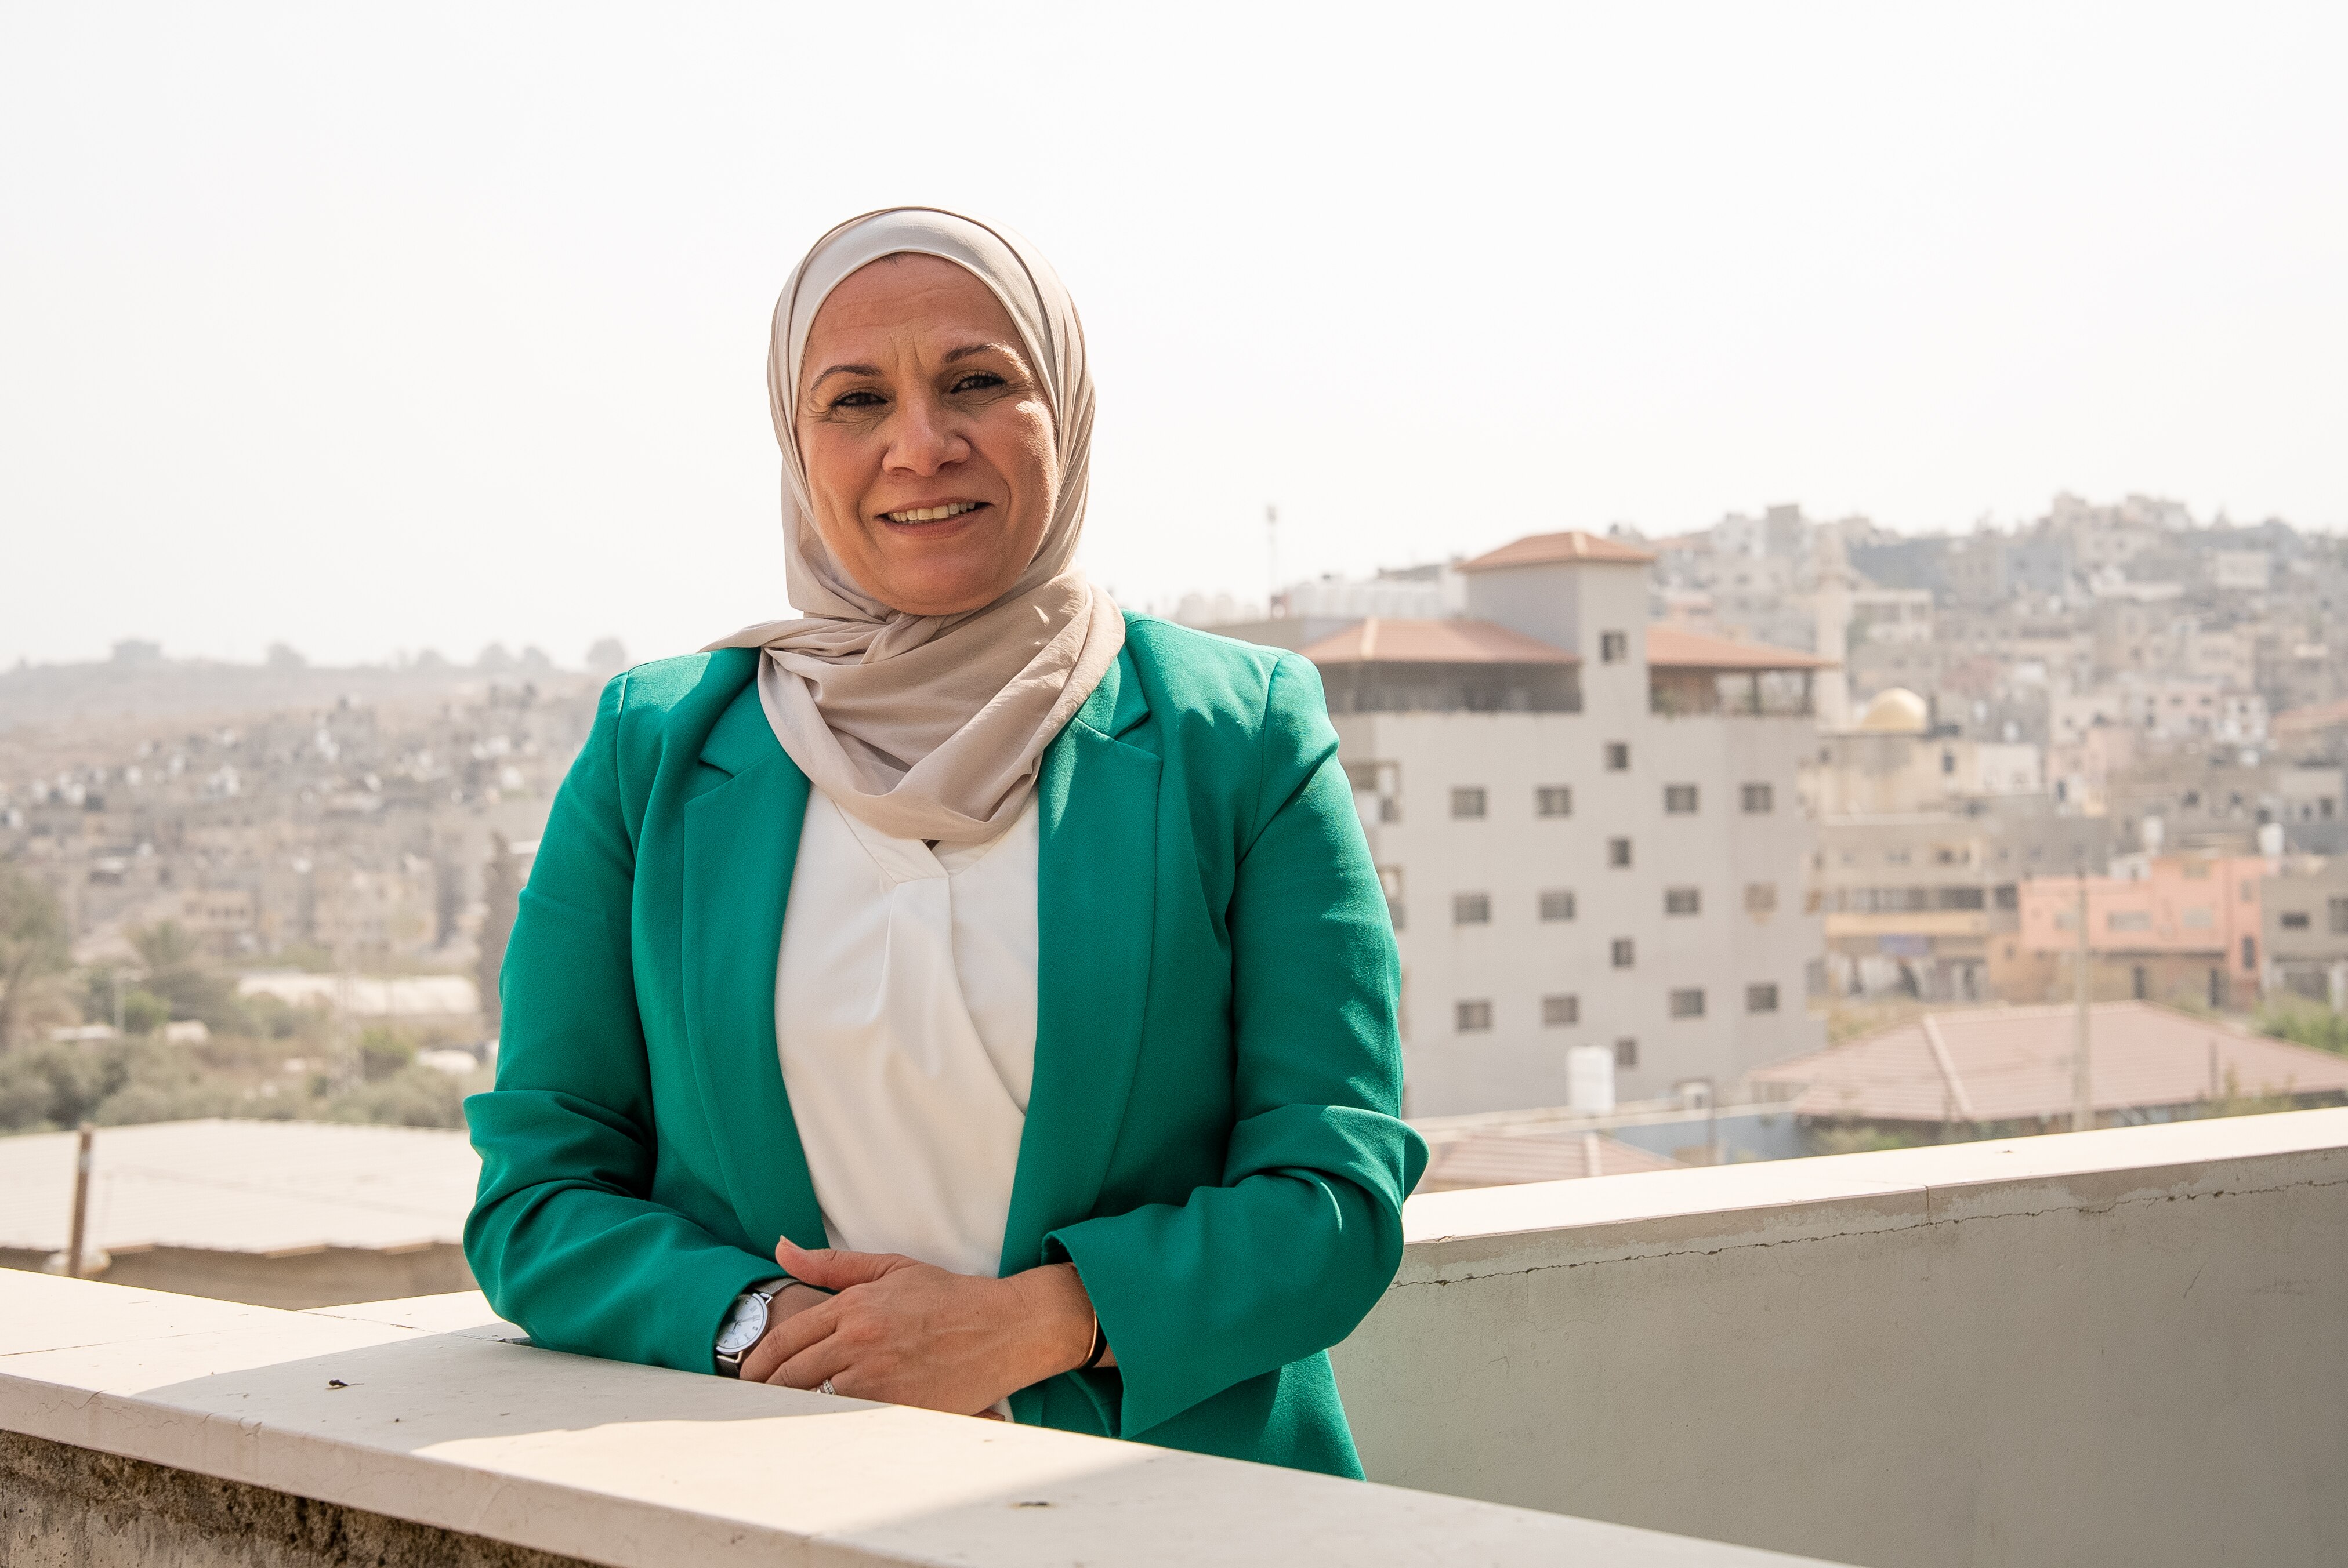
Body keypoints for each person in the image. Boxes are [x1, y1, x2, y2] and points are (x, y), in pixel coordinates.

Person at [463, 206, 1425, 1478]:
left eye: (975, 380)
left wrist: (1028, 1326)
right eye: (853, 400)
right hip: (771, 1501)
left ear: (1063, 410)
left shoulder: (1233, 732)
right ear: (795, 444)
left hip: (1182, 1506)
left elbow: (1335, 1191)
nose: (919, 445)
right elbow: (537, 1195)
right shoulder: (656, 747)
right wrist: (768, 1326)